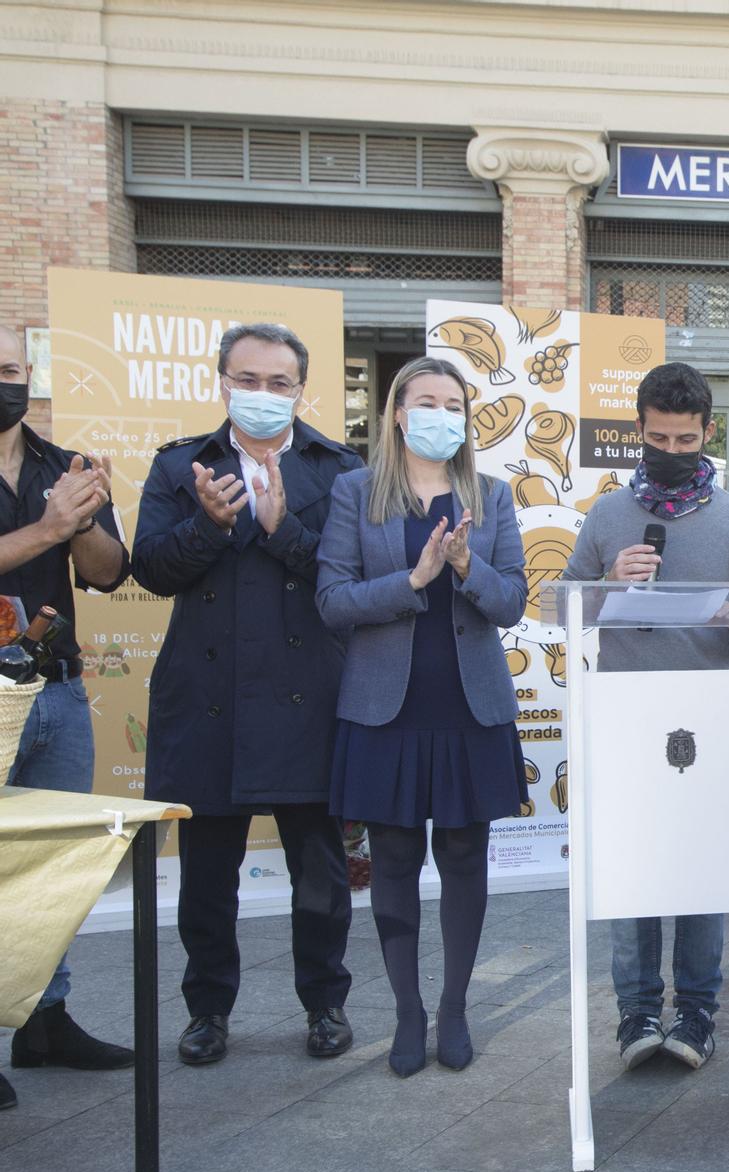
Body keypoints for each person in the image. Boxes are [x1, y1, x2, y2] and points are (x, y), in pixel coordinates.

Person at [133, 323, 363, 1066]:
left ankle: (325, 1002)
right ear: (221, 380)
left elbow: (345, 577)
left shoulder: (339, 467)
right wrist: (209, 523)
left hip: (308, 694)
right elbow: (151, 570)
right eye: (248, 379)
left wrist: (277, 525)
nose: (262, 395)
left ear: (302, 388)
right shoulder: (181, 465)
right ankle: (207, 1010)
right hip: (208, 695)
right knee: (205, 873)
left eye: (279, 383)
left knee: (320, 871)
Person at [316, 358, 527, 1076]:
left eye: (454, 403)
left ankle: (455, 1007)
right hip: (386, 710)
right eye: (427, 401)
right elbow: (332, 600)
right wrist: (412, 581)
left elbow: (512, 602)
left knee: (465, 857)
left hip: (471, 709)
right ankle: (407, 1009)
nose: (442, 413)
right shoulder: (355, 493)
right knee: (396, 859)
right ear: (399, 414)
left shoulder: (491, 497)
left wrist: (467, 566)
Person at [560, 363, 729, 1072]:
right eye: (658, 437)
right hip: (624, 715)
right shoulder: (607, 514)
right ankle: (636, 1012)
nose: (672, 449)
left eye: (686, 438)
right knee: (633, 871)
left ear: (707, 431)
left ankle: (698, 1012)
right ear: (639, 431)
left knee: (700, 871)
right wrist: (604, 583)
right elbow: (556, 609)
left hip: (709, 720)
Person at [0, 323, 134, 1111]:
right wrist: (47, 527)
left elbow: (112, 573)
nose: (5, 381)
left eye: (12, 368)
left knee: (53, 868)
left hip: (55, 688)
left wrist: (82, 520)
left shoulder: (64, 465)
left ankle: (45, 1020)